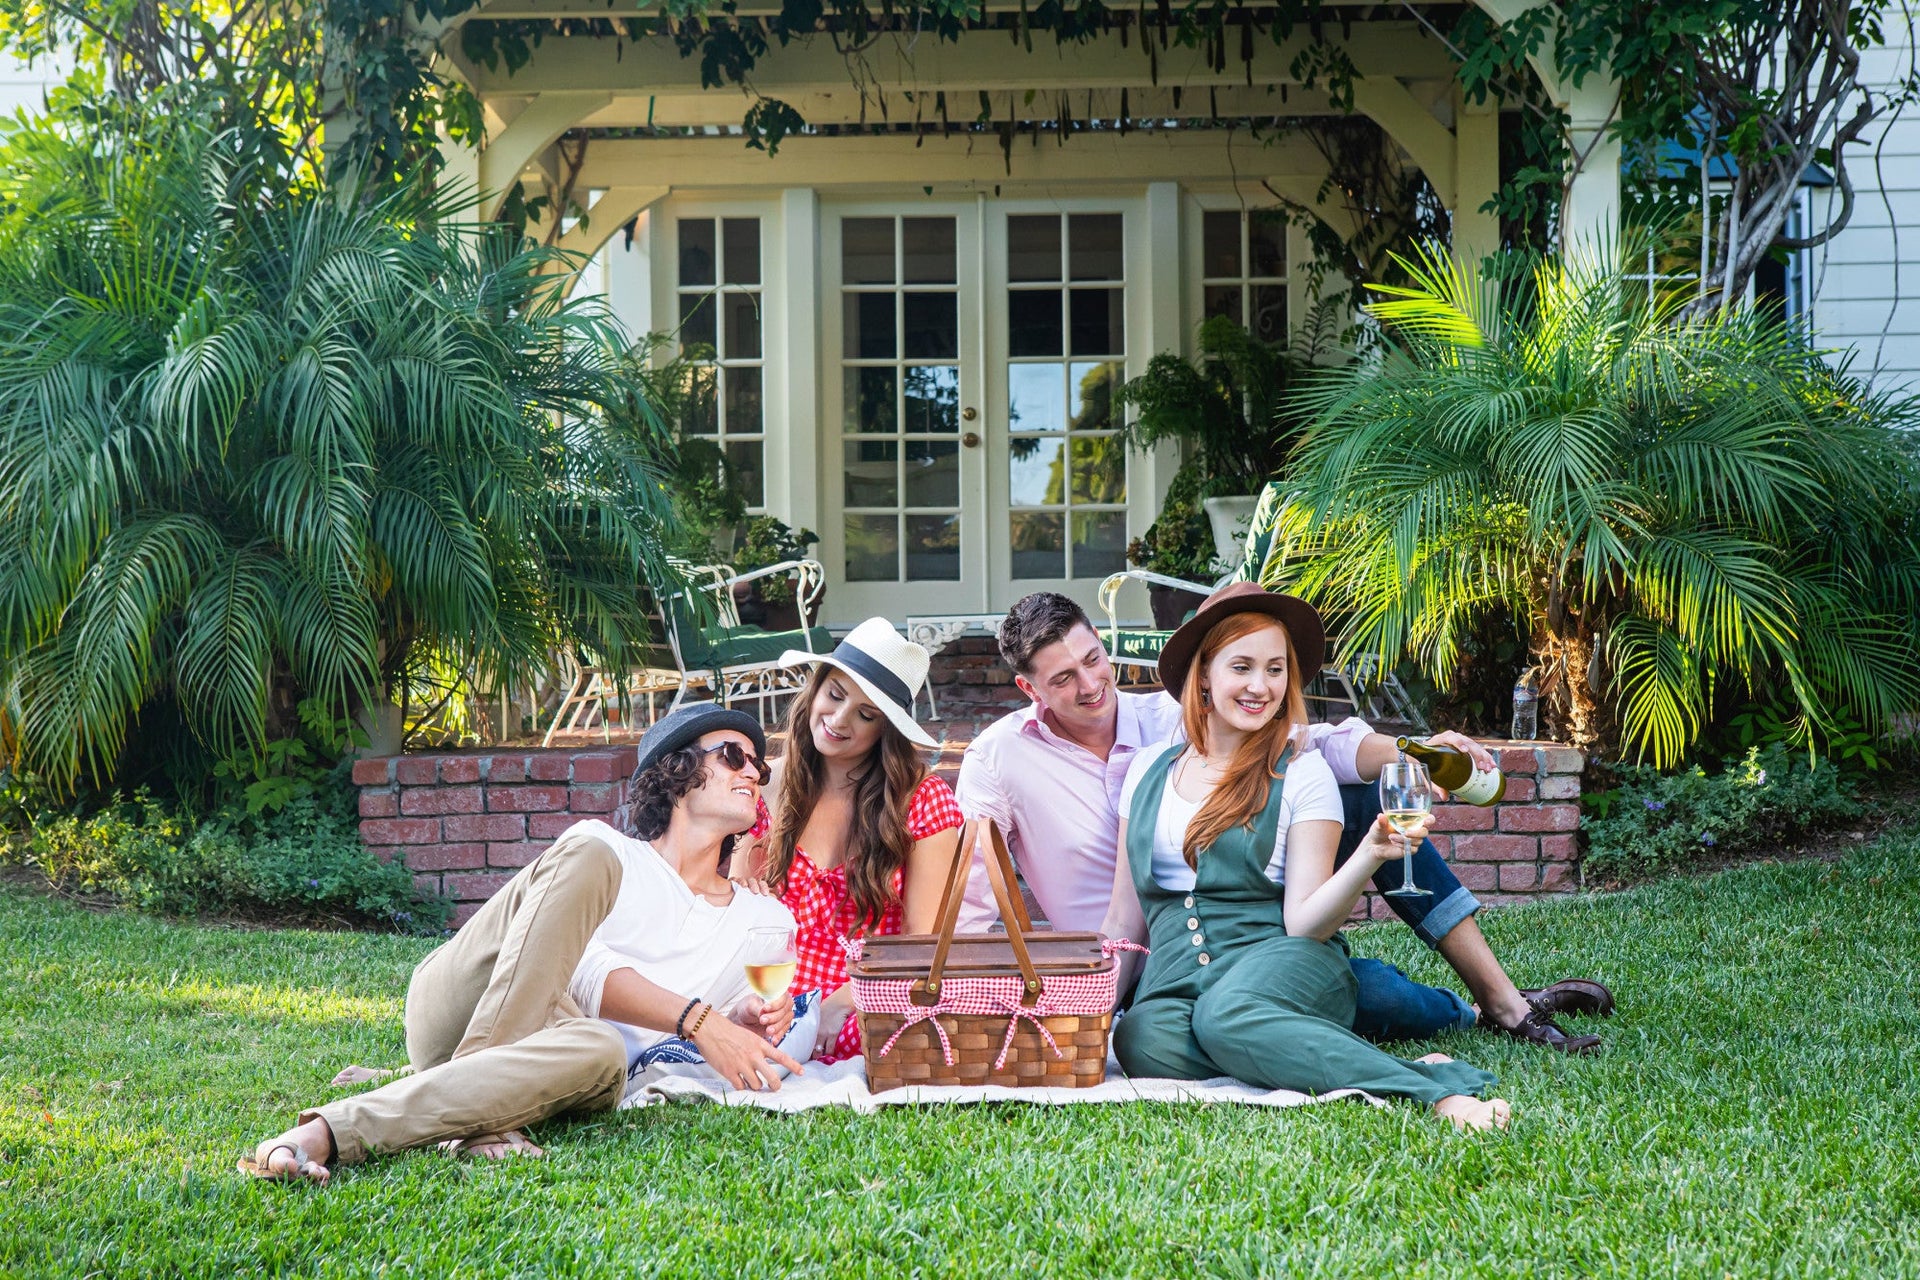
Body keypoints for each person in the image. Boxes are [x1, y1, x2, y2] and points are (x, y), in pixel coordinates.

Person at [955, 591, 1611, 1052]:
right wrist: (967, 1000)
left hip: (1255, 938)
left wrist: (1416, 752)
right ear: (1030, 690)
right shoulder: (999, 759)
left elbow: (1317, 743)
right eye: (1063, 679)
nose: (1091, 684)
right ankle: (1464, 1011)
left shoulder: (1174, 713)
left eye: (1093, 659)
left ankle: (1500, 1001)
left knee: (1366, 795)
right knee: (1375, 999)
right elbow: (973, 893)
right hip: (1138, 969)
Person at [239, 703, 805, 1185]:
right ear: (676, 771)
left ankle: (330, 1131)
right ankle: (472, 1111)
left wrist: (739, 1016)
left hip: (559, 1061)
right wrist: (703, 1021)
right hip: (461, 1006)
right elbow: (579, 972)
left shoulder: (765, 921)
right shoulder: (605, 851)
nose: (753, 771)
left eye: (759, 763)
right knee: (586, 863)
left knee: (604, 1049)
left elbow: (715, 1023)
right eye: (733, 755)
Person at [1105, 583, 1509, 1129]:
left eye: (1275, 669)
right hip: (1175, 977)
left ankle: (1432, 1090)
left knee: (1225, 1019)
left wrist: (1368, 855)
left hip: (1284, 962)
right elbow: (1124, 918)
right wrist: (1093, 1009)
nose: (1260, 686)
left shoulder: (1301, 771)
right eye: (1242, 667)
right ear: (1204, 675)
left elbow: (1305, 923)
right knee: (1140, 1040)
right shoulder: (1146, 770)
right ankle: (1300, 1049)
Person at [741, 618, 966, 1061]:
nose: (839, 720)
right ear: (817, 688)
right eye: (836, 695)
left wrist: (843, 1001)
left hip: (868, 994)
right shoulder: (769, 784)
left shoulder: (921, 800)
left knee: (897, 1041)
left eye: (866, 714)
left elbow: (922, 944)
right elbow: (735, 908)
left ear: (887, 729)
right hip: (767, 998)